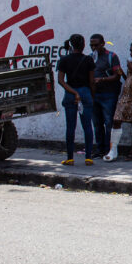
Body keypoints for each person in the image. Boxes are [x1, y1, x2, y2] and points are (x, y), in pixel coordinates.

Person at [55, 34, 96, 166]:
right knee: (87, 126)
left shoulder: (64, 60)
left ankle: (70, 158)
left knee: (70, 127)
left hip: (70, 92)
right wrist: (92, 95)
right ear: (84, 45)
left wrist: (73, 92)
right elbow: (91, 81)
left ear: (70, 45)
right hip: (85, 92)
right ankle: (88, 157)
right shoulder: (88, 60)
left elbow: (60, 81)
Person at [89, 33, 122, 158]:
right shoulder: (90, 58)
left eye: (96, 45)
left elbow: (117, 75)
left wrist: (102, 79)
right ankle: (100, 148)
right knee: (97, 123)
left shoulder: (111, 56)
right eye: (91, 45)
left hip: (108, 94)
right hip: (94, 94)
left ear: (103, 44)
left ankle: (110, 149)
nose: (94, 48)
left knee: (109, 123)